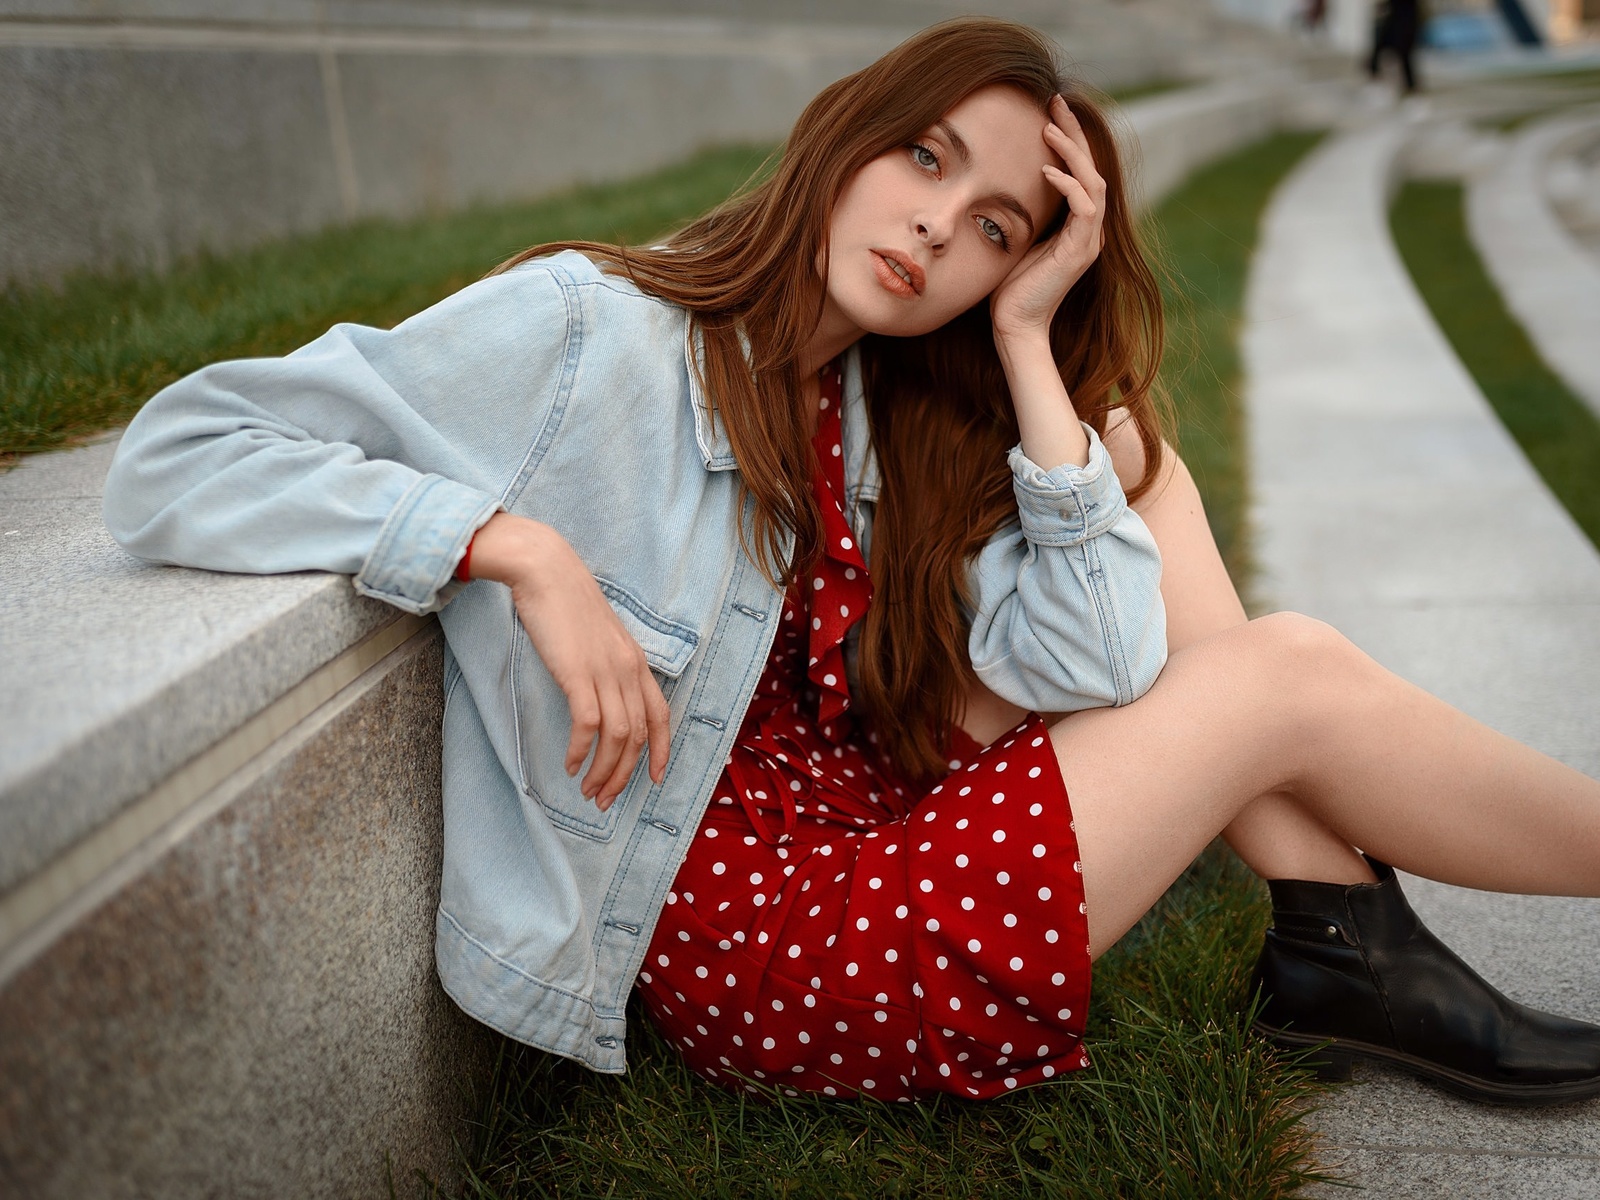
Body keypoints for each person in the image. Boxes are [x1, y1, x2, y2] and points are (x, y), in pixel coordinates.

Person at [102, 18, 1600, 1106]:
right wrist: (514, 550)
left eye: (994, 226)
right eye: (926, 158)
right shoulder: (591, 331)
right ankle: (1343, 941)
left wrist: (1026, 345)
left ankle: (1340, 938)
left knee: (1125, 453)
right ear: (852, 128)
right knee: (1286, 676)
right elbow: (184, 450)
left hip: (871, 841)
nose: (935, 226)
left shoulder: (874, 412)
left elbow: (1097, 665)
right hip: (780, 950)